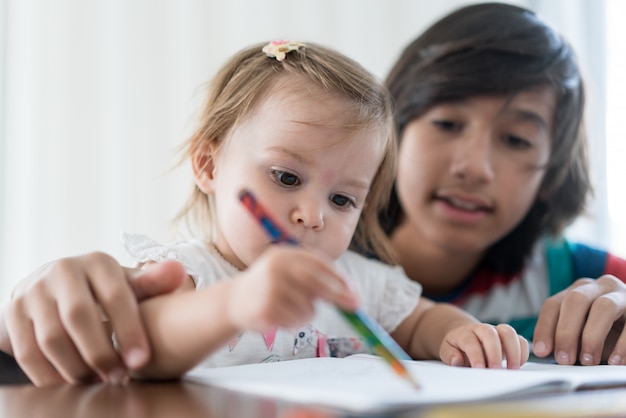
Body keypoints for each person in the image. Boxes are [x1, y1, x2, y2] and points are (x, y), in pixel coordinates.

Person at [0, 39, 529, 385]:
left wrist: (460, 332)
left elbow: (419, 322)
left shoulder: (354, 280)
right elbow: (149, 343)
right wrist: (235, 304)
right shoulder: (190, 275)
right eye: (286, 178)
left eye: (342, 199)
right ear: (208, 166)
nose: (312, 215)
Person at [373, 2, 626, 368]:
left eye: (516, 140)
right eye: (447, 123)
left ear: (551, 176)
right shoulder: (314, 256)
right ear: (391, 131)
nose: (474, 168)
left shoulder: (577, 275)